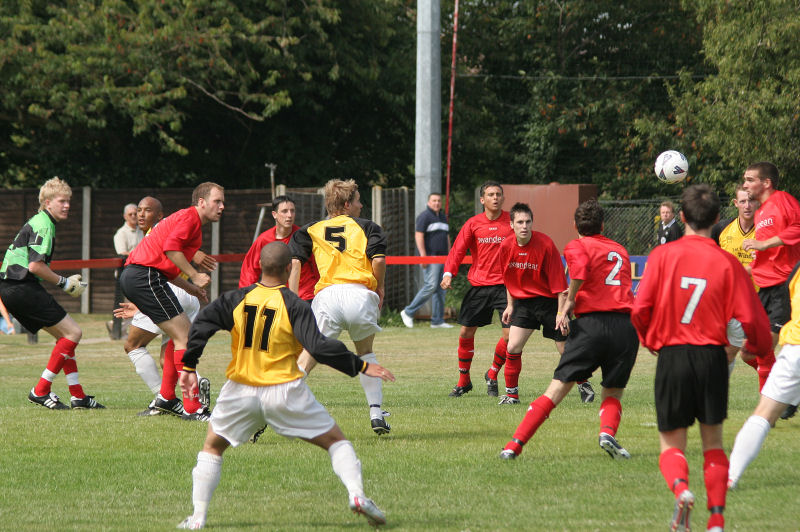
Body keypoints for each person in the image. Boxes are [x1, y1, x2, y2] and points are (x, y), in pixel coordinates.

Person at [176, 242, 393, 529]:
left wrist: (189, 366)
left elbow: (202, 323)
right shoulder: (294, 305)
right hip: (285, 391)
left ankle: (198, 517)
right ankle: (357, 495)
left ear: (259, 267)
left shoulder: (236, 299)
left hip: (240, 389)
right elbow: (319, 346)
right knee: (336, 442)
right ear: (289, 268)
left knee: (212, 448)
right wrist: (362, 365)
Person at [631, 184, 772, 532]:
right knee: (713, 444)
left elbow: (639, 309)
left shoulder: (662, 256)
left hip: (673, 356)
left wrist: (652, 341)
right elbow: (753, 320)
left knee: (671, 442)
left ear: (681, 217)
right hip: (712, 358)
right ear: (716, 220)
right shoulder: (728, 261)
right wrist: (762, 350)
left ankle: (681, 490)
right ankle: (717, 521)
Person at [499, 199, 639, 459]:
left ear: (574, 225)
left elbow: (580, 273)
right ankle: (607, 432)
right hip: (625, 327)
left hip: (592, 325)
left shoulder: (576, 245)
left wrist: (567, 305)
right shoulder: (620, 249)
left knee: (555, 391)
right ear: (603, 225)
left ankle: (513, 446)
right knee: (613, 391)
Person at [441, 182, 594, 402]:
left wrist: (561, 312)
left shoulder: (537, 239)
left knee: (548, 344)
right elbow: (458, 250)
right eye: (490, 194)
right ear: (482, 199)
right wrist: (448, 273)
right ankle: (475, 383)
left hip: (530, 295)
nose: (495, 198)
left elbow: (559, 285)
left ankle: (495, 372)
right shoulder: (477, 226)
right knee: (475, 334)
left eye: (498, 194)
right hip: (490, 289)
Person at [288, 179, 391, 435]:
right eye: (357, 200)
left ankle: (275, 408)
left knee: (309, 354)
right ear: (347, 204)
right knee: (365, 353)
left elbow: (295, 264)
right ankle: (376, 414)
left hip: (327, 297)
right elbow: (378, 261)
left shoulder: (311, 229)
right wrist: (379, 287)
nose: (361, 204)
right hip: (359, 294)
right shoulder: (368, 227)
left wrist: (291, 298)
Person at [120, 182, 224, 421]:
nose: (222, 206)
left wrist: (192, 288)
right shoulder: (190, 218)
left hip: (141, 275)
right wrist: (196, 275)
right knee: (185, 338)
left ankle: (167, 397)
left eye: (222, 202)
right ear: (201, 202)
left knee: (175, 339)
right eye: (217, 201)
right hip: (144, 276)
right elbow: (170, 250)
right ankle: (193, 407)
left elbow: (167, 268)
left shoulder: (189, 221)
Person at [0, 177, 104, 410]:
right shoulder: (45, 224)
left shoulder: (39, 221)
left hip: (12, 288)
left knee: (65, 337)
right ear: (48, 203)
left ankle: (78, 396)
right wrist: (65, 283)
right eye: (62, 201)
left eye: (68, 201)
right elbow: (35, 266)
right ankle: (40, 390)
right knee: (74, 333)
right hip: (20, 287)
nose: (67, 206)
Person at [728, 260, 800, 489]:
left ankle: (731, 477)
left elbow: (787, 307)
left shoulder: (796, 269)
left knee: (763, 415)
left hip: (795, 347)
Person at [491, 202, 568, 405]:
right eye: (520, 222)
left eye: (528, 222)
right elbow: (509, 279)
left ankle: (583, 383)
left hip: (549, 302)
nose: (524, 226)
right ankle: (512, 395)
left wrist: (562, 313)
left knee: (564, 349)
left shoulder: (545, 244)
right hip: (524, 303)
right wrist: (510, 305)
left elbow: (560, 284)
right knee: (513, 345)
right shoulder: (506, 246)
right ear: (512, 225)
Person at [742, 161, 800, 418]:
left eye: (750, 179)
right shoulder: (760, 212)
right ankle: (786, 393)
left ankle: (768, 411)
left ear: (766, 183)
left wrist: (763, 244)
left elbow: (797, 228)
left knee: (764, 348)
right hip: (763, 289)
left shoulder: (782, 200)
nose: (745, 185)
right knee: (747, 353)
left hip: (782, 287)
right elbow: (765, 256)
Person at [711, 185, 762, 375]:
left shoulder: (766, 231)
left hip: (757, 300)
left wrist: (740, 271)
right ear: (735, 203)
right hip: (727, 300)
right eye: (742, 201)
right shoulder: (722, 229)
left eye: (751, 200)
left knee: (747, 353)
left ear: (758, 202)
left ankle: (776, 381)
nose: (747, 205)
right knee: (724, 350)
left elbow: (770, 264)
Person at [239, 195, 318, 301]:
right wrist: (245, 298)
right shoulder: (263, 240)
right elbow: (249, 270)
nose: (289, 215)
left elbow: (317, 267)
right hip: (276, 298)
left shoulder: (303, 238)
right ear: (274, 214)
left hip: (306, 296)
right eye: (285, 211)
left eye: (292, 211)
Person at [400, 192, 452, 328]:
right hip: (431, 257)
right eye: (434, 201)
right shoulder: (424, 216)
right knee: (430, 286)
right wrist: (423, 256)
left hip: (444, 258)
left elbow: (446, 237)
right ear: (429, 202)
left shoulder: (442, 216)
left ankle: (437, 321)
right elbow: (419, 236)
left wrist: (451, 255)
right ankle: (408, 312)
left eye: (439, 201)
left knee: (441, 289)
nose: (436, 203)